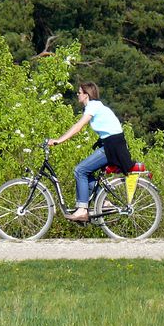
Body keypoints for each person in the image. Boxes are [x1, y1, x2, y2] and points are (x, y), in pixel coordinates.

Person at [48, 82, 133, 222]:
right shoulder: (95, 106)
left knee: (80, 170)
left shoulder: (93, 106)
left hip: (112, 146)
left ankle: (82, 210)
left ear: (86, 95)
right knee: (86, 173)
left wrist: (59, 140)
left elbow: (78, 126)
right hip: (111, 144)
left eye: (79, 92)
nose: (77, 94)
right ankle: (105, 203)